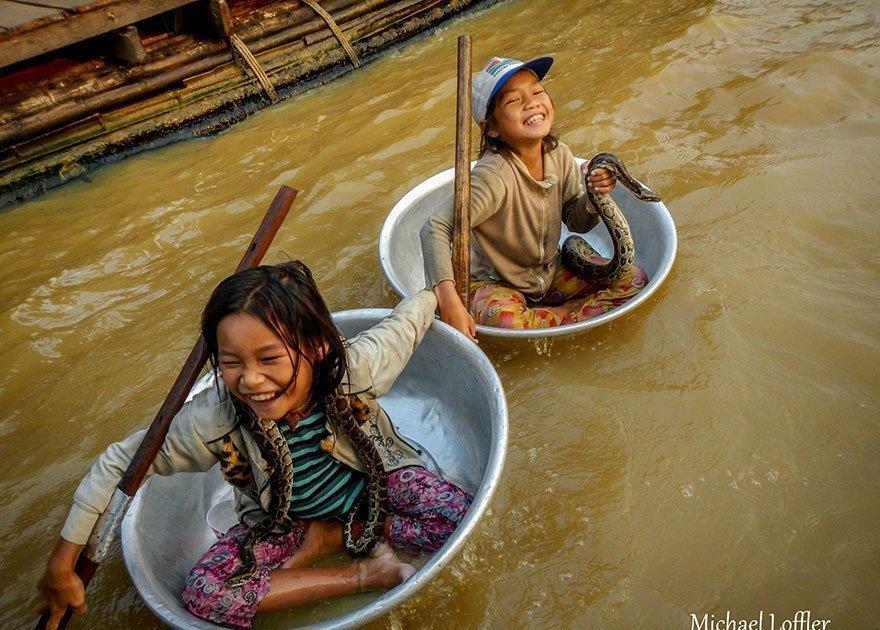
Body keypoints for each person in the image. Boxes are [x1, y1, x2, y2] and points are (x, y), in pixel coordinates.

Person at [35, 261, 473, 630]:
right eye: (231, 362)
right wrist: (62, 560)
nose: (250, 379)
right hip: (287, 521)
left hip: (379, 484)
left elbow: (407, 321)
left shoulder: (355, 370)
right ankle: (359, 571)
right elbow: (118, 464)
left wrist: (444, 298)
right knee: (205, 593)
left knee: (460, 517)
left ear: (317, 346)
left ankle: (348, 532)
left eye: (269, 359)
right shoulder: (215, 419)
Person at [420, 55, 649, 340]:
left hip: (546, 273)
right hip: (493, 285)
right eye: (513, 101)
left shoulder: (560, 155)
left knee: (634, 278)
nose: (531, 102)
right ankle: (572, 315)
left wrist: (593, 196)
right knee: (506, 321)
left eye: (537, 91)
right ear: (491, 128)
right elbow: (434, 227)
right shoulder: (494, 176)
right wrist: (449, 301)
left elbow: (576, 222)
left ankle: (554, 318)